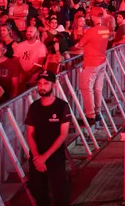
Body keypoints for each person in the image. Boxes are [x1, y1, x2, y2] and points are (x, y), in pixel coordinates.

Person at [24, 71, 72, 206]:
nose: (42, 87)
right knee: (37, 189)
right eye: (39, 84)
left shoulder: (62, 106)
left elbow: (63, 134)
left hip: (55, 155)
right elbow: (29, 133)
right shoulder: (34, 106)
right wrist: (37, 157)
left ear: (54, 85)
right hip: (36, 155)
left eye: (46, 83)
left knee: (60, 191)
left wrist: (44, 157)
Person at [74, 8, 111, 126]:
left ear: (94, 17)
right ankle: (97, 112)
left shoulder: (91, 31)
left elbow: (79, 45)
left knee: (87, 88)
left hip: (91, 63)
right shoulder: (105, 29)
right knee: (98, 88)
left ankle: (90, 116)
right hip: (102, 61)